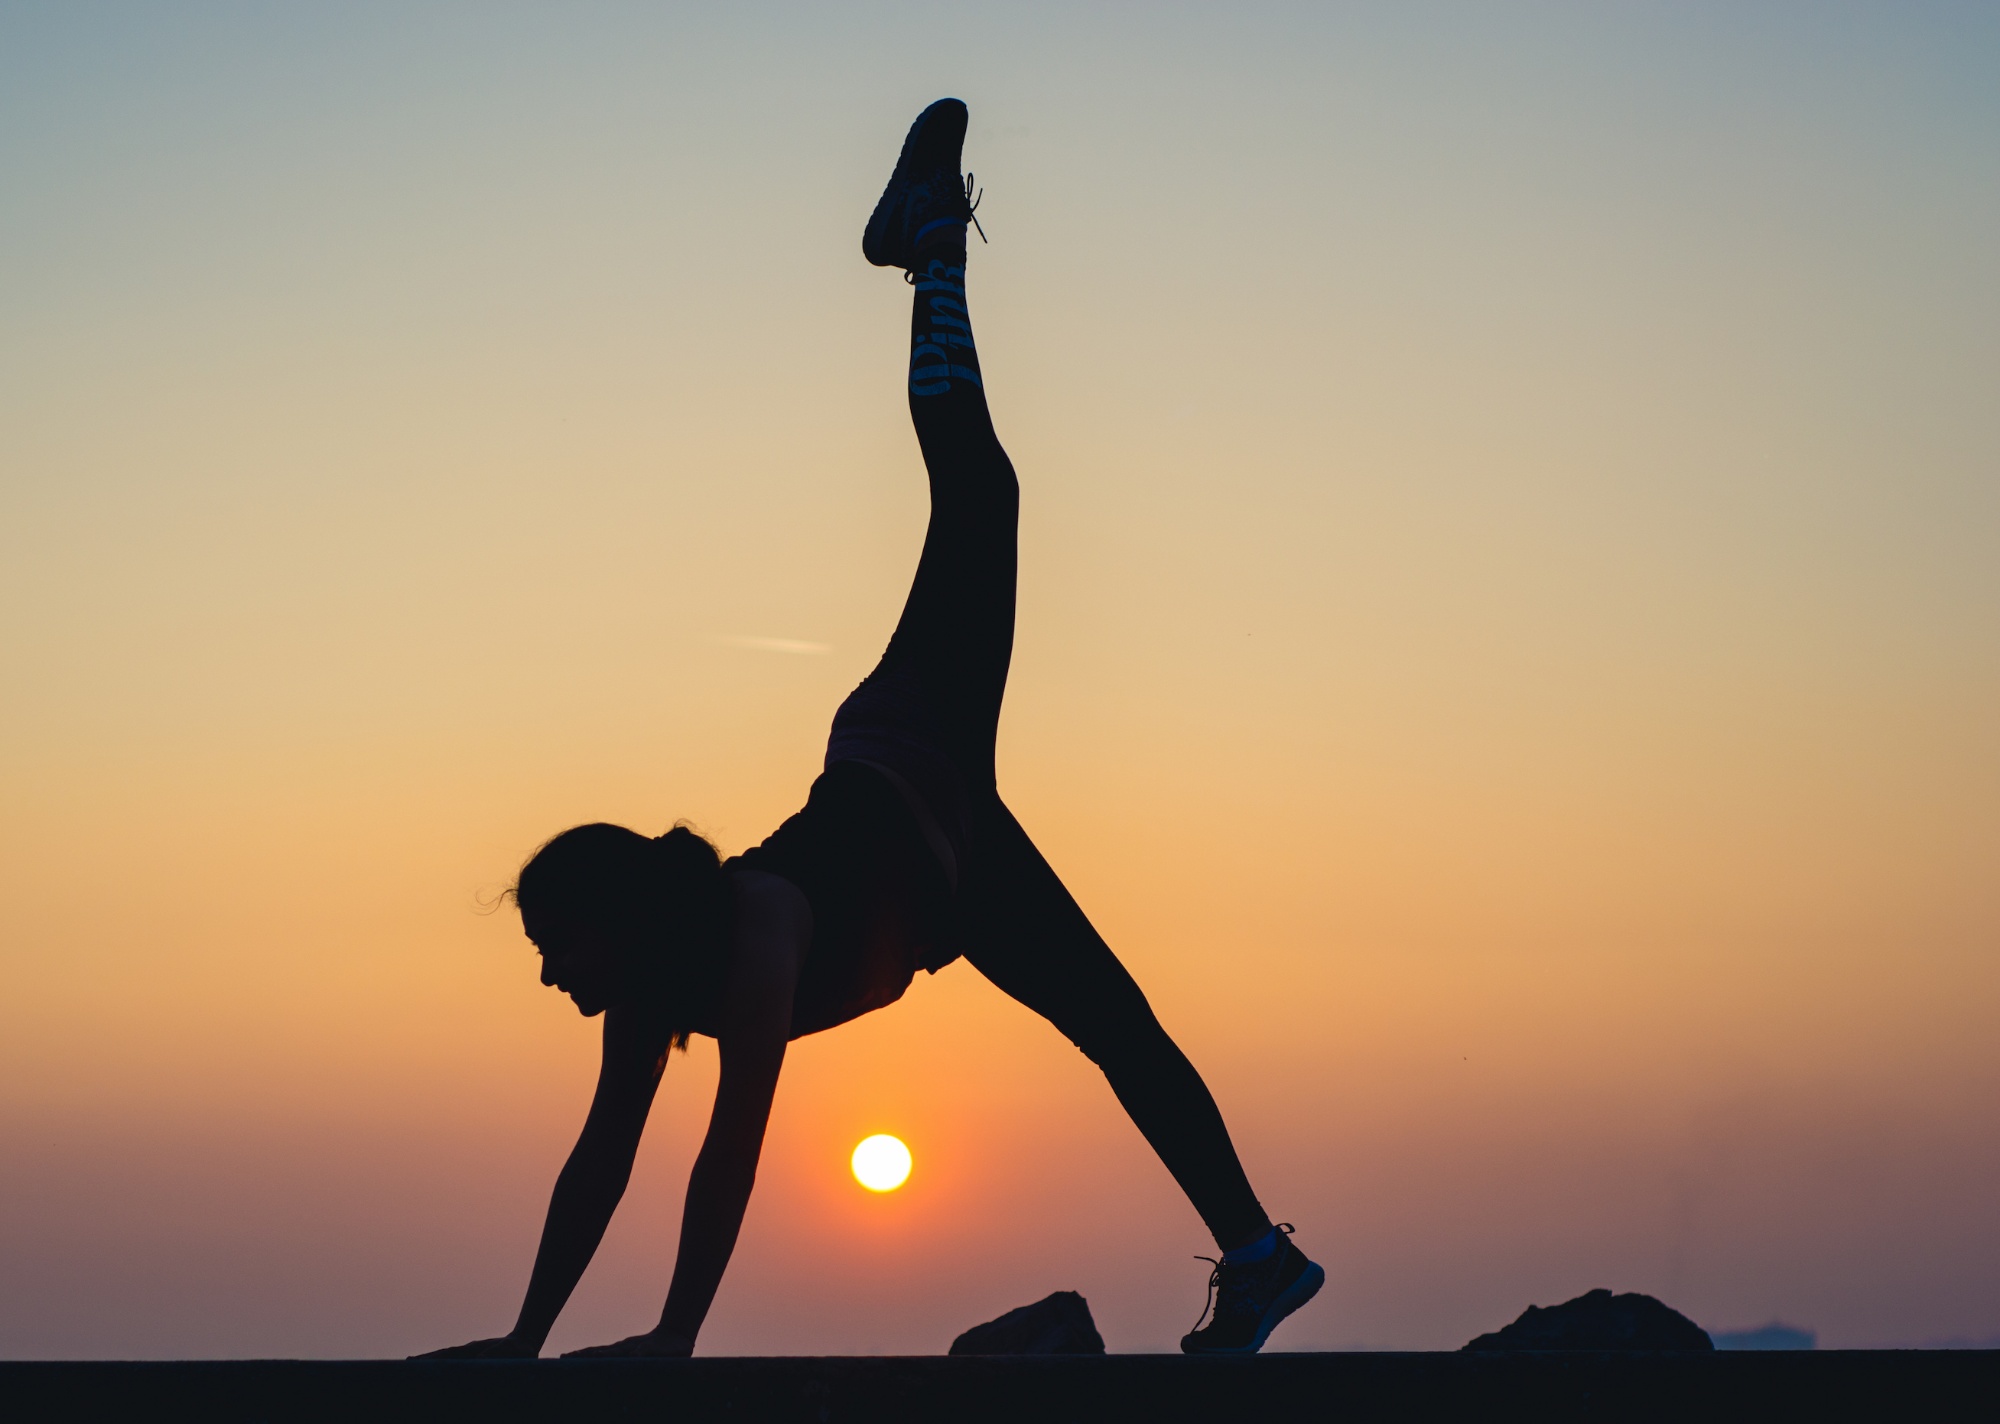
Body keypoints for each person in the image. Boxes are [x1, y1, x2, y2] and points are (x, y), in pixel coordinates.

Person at [418, 99, 1321, 1361]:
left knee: (982, 490)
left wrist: (672, 1337)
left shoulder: (755, 935)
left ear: (614, 919)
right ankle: (1263, 1258)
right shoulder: (651, 990)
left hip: (910, 750)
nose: (548, 973)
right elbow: (600, 1162)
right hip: (955, 880)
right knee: (1118, 1025)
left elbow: (730, 1149)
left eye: (551, 942)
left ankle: (929, 247)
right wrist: (521, 1342)